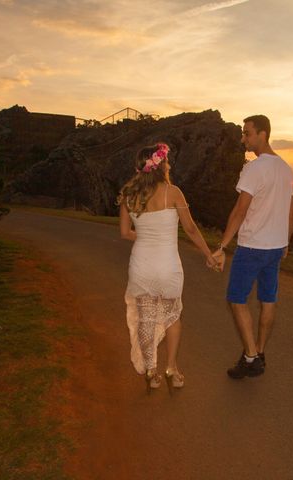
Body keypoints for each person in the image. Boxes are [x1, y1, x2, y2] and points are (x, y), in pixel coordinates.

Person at [119, 143, 220, 393]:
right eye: (167, 162)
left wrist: (145, 237)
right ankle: (172, 369)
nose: (170, 165)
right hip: (167, 265)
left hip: (141, 264)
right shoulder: (173, 192)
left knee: (146, 318)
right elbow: (191, 229)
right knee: (172, 317)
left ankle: (152, 372)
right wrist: (209, 255)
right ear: (161, 166)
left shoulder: (129, 195)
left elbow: (124, 233)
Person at [212, 115, 293, 379]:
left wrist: (222, 246)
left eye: (247, 133)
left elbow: (239, 211)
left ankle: (251, 356)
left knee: (236, 299)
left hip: (252, 247)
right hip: (274, 247)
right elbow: (292, 211)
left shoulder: (254, 168)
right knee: (268, 300)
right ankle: (257, 353)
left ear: (262, 134)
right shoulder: (286, 169)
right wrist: (286, 241)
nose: (243, 138)